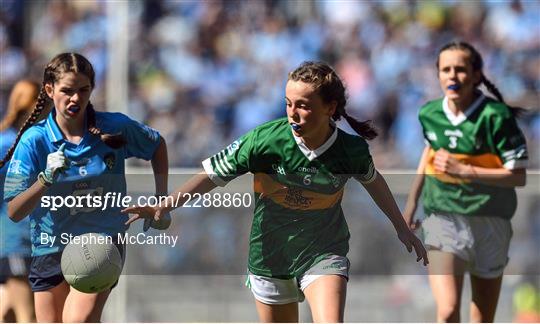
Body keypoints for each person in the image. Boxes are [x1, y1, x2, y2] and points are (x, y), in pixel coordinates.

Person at [123, 61, 428, 322]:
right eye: (288, 103)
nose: (293, 113)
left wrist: (401, 228)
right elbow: (212, 176)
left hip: (323, 252)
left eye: (304, 105)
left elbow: (374, 182)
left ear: (330, 108)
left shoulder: (351, 151)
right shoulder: (264, 141)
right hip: (270, 255)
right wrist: (166, 205)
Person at [1, 53, 169, 322]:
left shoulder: (115, 127)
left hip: (101, 243)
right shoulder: (34, 140)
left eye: (83, 90)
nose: (75, 98)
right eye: (67, 90)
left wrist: (162, 200)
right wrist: (44, 180)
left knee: (77, 320)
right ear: (49, 90)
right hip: (49, 246)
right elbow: (15, 211)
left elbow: (157, 145)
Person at [403, 41, 528, 322]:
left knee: (481, 318)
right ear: (437, 74)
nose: (452, 76)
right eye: (445, 69)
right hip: (443, 216)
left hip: (490, 220)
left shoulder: (496, 116)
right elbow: (430, 152)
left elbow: (517, 177)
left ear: (476, 75)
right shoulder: (429, 113)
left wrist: (466, 169)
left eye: (460, 69)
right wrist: (411, 204)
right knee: (447, 312)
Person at [0, 80, 41, 323]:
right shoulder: (9, 144)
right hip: (17, 241)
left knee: (8, 314)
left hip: (31, 241)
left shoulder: (36, 142)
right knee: (28, 317)